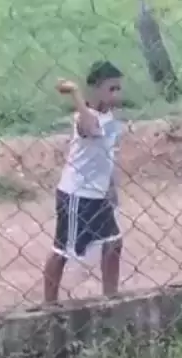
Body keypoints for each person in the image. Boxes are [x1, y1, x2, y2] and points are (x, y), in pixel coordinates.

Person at [43, 60, 124, 304]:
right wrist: (76, 93)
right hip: (77, 195)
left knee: (113, 243)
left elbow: (106, 155)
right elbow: (89, 126)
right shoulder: (84, 116)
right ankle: (49, 305)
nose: (116, 95)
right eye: (111, 89)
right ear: (95, 89)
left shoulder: (108, 115)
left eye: (118, 89)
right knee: (62, 251)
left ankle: (110, 298)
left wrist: (111, 187)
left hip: (98, 195)